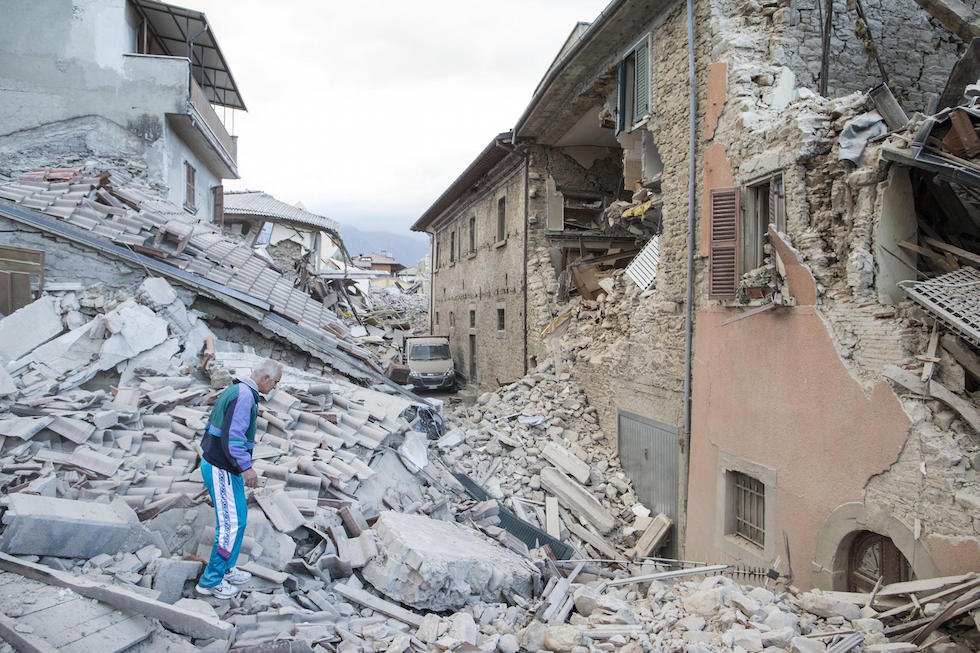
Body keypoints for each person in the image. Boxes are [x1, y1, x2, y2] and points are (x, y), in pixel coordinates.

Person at [195, 358, 283, 599]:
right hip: (220, 466)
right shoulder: (244, 396)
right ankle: (210, 582)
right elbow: (232, 437)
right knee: (231, 525)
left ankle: (226, 568)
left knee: (240, 519)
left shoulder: (239, 390)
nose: (274, 388)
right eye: (275, 382)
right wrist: (246, 467)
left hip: (225, 466)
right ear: (264, 378)